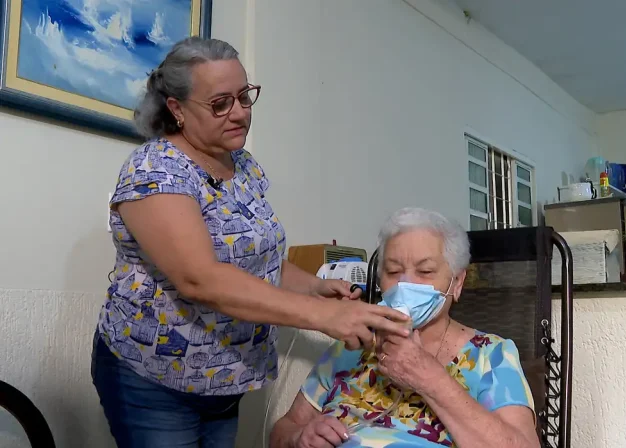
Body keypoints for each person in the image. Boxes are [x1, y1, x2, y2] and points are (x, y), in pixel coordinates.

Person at [90, 37, 409, 448]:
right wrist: (322, 316)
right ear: (177, 109)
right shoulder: (155, 170)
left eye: (244, 97)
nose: (240, 113)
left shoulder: (241, 165)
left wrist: (313, 286)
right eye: (221, 103)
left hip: (225, 382)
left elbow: (259, 259)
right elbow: (200, 279)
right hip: (155, 382)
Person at [271, 207, 539, 448]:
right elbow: (282, 432)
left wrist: (429, 379)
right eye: (393, 270)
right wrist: (299, 437)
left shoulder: (490, 356)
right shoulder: (351, 345)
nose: (405, 284)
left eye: (425, 272)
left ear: (457, 283)